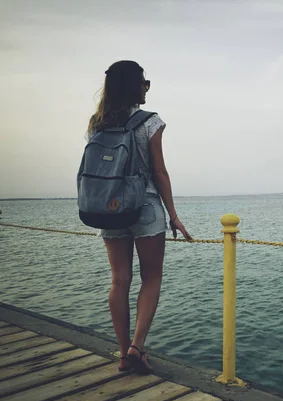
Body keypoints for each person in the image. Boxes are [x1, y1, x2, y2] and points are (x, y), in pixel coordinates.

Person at [87, 60, 192, 374]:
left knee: (119, 281)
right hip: (145, 206)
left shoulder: (97, 122)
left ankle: (123, 354)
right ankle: (137, 347)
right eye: (145, 82)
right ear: (135, 86)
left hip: (110, 207)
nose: (148, 87)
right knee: (152, 278)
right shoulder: (151, 121)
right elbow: (159, 172)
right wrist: (173, 214)